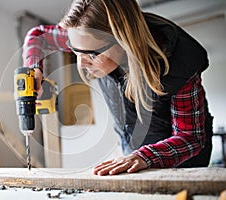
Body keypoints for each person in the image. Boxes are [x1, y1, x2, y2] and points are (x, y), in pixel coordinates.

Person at [22, 0, 213, 175]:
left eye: (93, 55)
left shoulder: (180, 64)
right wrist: (34, 69)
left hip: (183, 164)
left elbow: (190, 137)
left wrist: (145, 156)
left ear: (124, 42)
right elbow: (38, 36)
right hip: (133, 153)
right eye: (75, 51)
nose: (81, 64)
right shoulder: (87, 37)